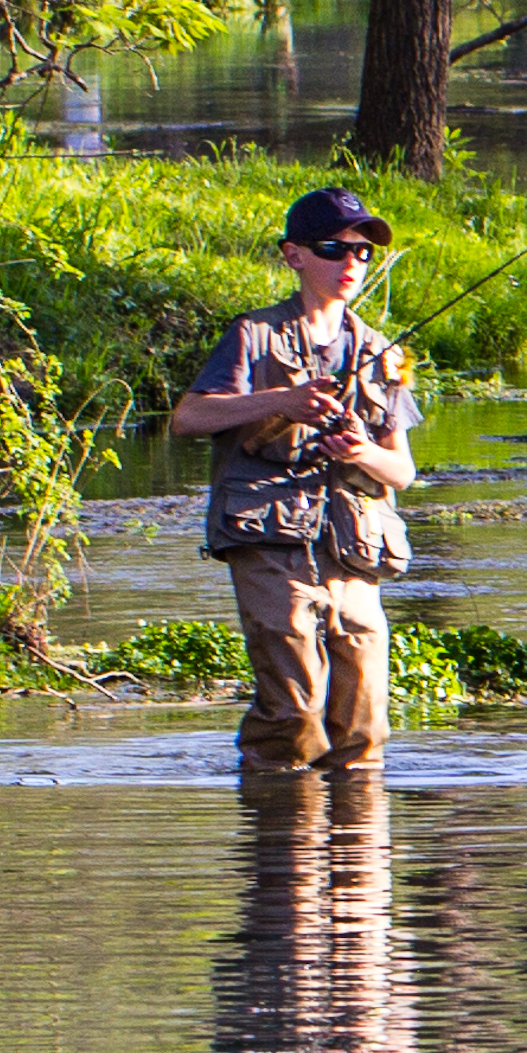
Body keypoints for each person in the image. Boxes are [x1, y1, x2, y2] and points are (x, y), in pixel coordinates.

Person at [172, 185, 425, 776]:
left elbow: (403, 471)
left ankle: (358, 856)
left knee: (364, 720)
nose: (351, 264)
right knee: (295, 710)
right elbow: (189, 417)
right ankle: (284, 843)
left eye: (363, 253)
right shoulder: (253, 336)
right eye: (335, 249)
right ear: (294, 256)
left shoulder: (382, 353)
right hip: (270, 542)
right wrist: (282, 400)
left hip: (353, 547)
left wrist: (361, 450)